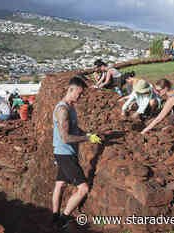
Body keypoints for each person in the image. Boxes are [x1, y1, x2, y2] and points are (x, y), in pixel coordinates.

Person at [52, 76, 102, 229]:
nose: (80, 97)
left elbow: (75, 129)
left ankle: (54, 217)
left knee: (60, 184)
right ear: (70, 89)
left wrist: (88, 134)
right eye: (78, 93)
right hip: (64, 153)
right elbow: (66, 138)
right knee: (83, 189)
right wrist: (87, 140)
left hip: (66, 153)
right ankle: (63, 219)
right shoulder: (62, 110)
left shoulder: (71, 107)